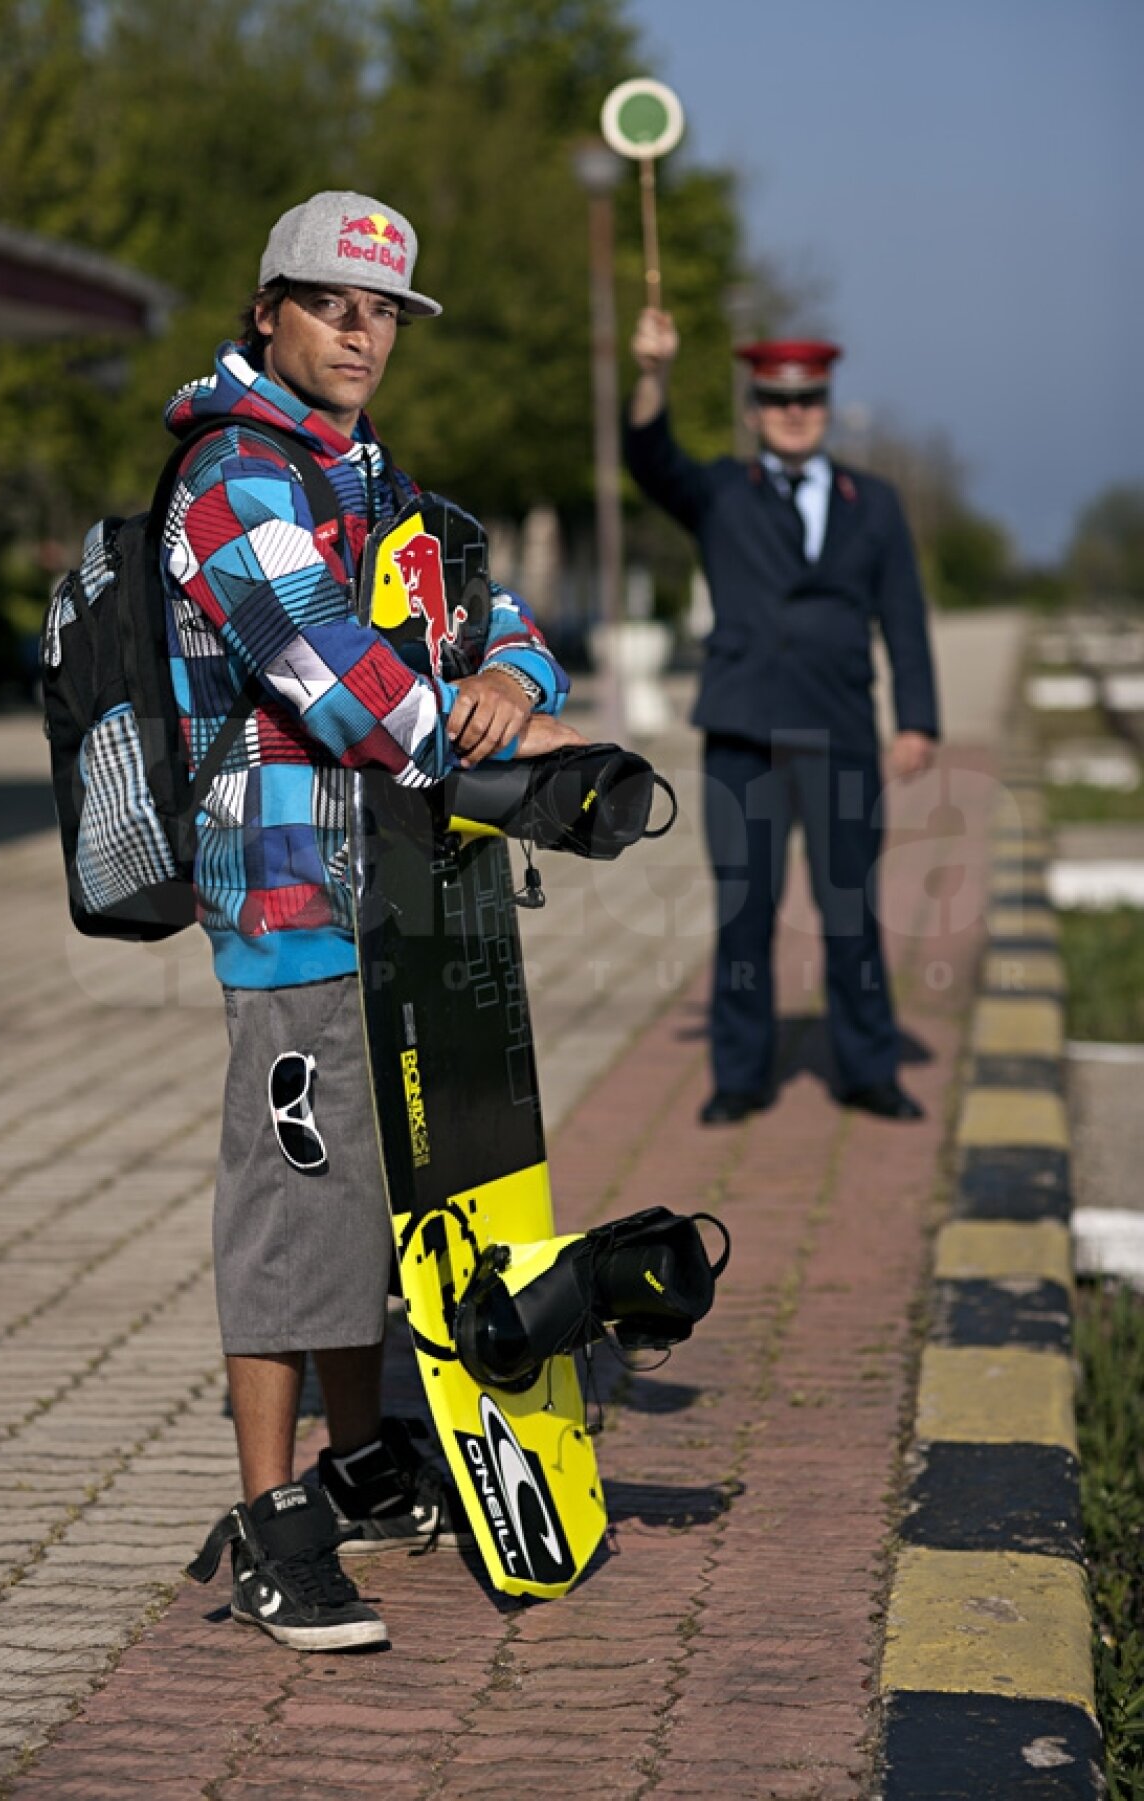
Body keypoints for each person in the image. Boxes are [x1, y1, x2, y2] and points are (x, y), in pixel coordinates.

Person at [168, 191, 577, 1651]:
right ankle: (273, 1525)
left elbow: (496, 612)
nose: (363, 331)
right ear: (266, 308)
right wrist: (478, 752)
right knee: (290, 1201)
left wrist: (519, 685)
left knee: (368, 1190)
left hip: (395, 893)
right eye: (333, 303)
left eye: (385, 309)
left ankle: (354, 1462)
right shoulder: (234, 476)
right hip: (287, 899)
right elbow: (324, 669)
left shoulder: (365, 478)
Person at [624, 311, 939, 1127]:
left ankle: (868, 1069)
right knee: (744, 914)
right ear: (754, 409)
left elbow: (902, 615)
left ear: (827, 406)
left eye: (807, 400)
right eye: (774, 399)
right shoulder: (724, 491)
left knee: (850, 915)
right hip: (744, 735)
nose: (792, 413)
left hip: (838, 733)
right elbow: (649, 461)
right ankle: (740, 1077)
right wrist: (653, 375)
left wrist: (917, 720)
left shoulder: (873, 502)